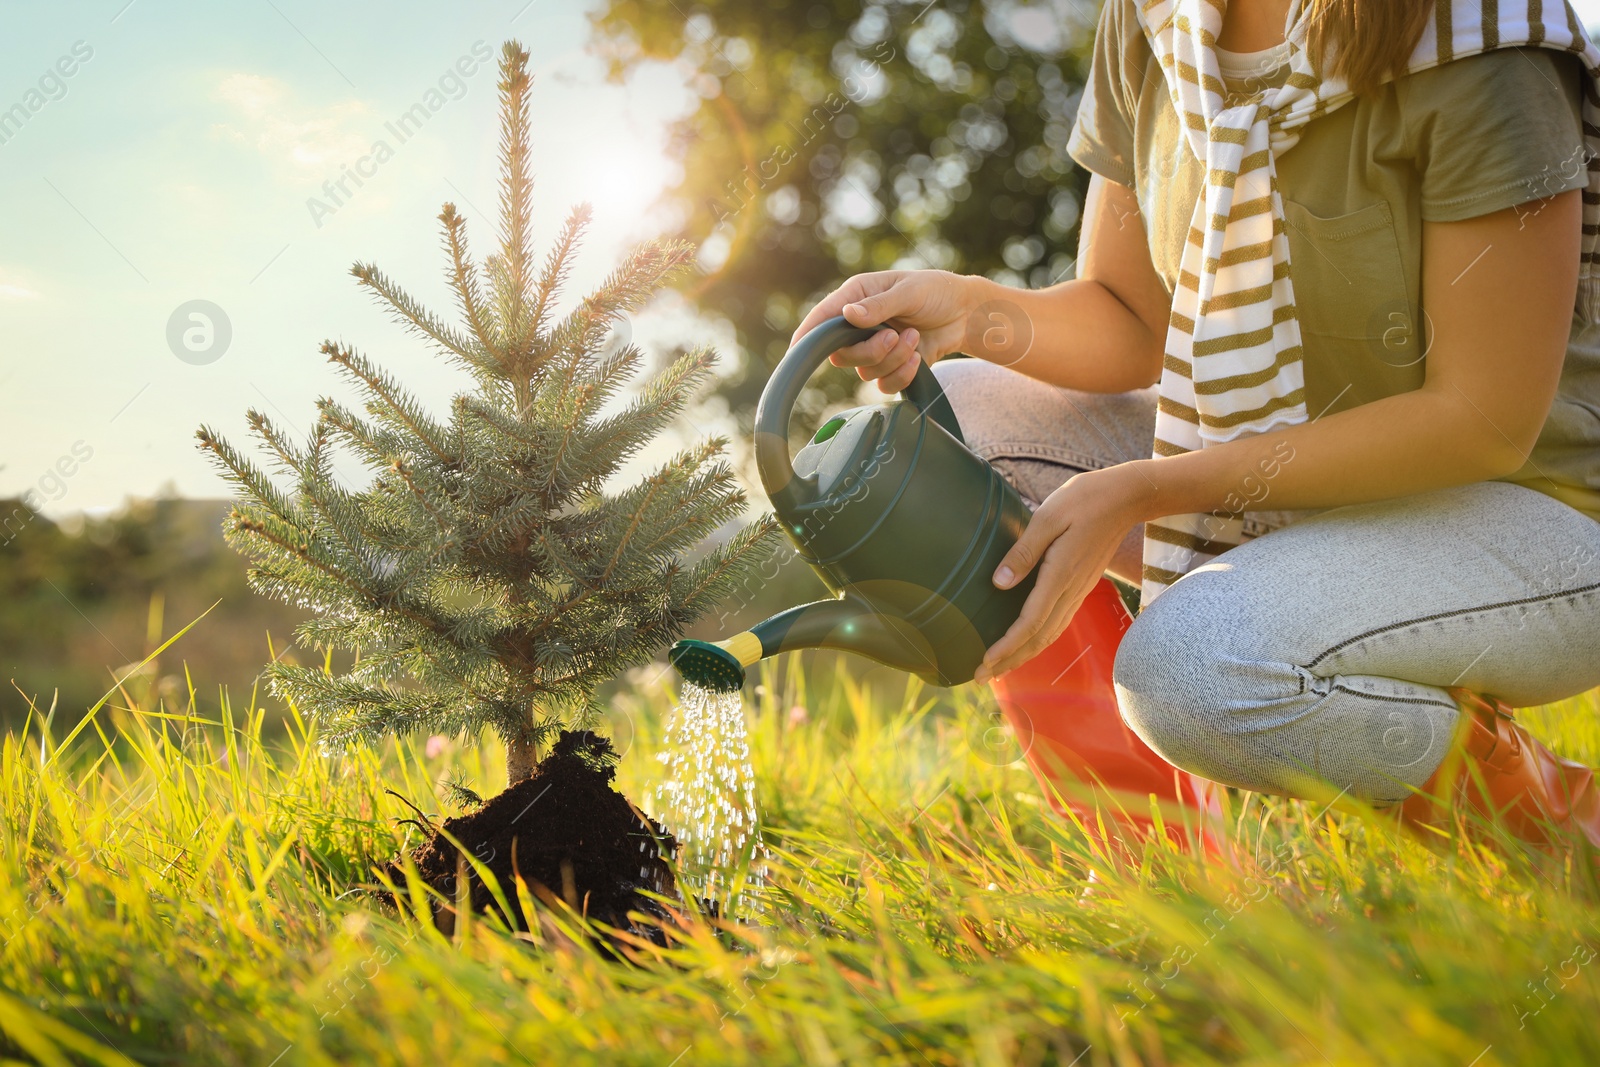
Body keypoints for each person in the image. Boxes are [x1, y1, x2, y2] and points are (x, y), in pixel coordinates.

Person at [791, 0, 1600, 847]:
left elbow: (1481, 421)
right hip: (1299, 479)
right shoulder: (1154, 20)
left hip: (1527, 517)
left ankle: (1563, 828)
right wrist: (970, 312)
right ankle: (1171, 877)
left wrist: (1150, 490)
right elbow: (1130, 318)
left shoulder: (1483, 38)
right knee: (954, 428)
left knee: (1188, 671)